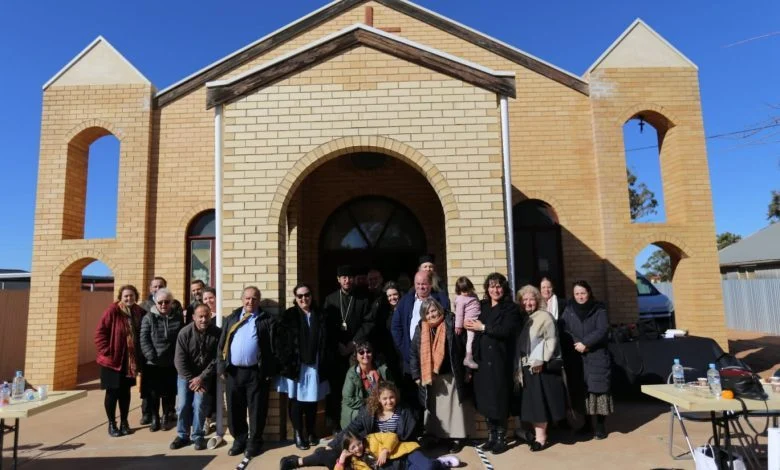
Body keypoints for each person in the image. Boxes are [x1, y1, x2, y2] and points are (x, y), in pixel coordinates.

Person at [280, 383, 456, 470]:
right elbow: (351, 429)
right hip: (370, 450)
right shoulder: (369, 412)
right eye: (385, 398)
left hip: (401, 450)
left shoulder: (405, 412)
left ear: (397, 397)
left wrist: (387, 449)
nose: (389, 401)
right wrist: (333, 445)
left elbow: (403, 438)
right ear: (378, 399)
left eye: (392, 397)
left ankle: (439, 463)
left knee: (427, 468)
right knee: (330, 455)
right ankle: (296, 461)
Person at [217, 286, 279, 457]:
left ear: (258, 301)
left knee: (257, 409)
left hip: (257, 373)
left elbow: (275, 347)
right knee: (235, 408)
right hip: (234, 372)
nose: (250, 301)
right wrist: (222, 366)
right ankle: (239, 440)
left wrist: (269, 370)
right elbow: (222, 344)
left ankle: (255, 442)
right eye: (247, 298)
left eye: (254, 298)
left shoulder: (266, 319)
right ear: (242, 299)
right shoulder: (232, 318)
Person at [464, 272, 521, 455]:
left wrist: (483, 328)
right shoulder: (483, 306)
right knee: (486, 399)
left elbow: (507, 331)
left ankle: (501, 438)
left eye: (498, 286)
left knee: (499, 399)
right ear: (487, 289)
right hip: (481, 361)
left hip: (499, 360)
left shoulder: (510, 308)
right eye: (491, 286)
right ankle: (491, 436)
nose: (495, 289)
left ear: (503, 288)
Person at [409, 298, 469, 453]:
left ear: (440, 310)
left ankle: (456, 438)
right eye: (428, 312)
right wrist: (416, 375)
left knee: (454, 409)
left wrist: (468, 370)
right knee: (434, 409)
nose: (432, 314)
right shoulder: (420, 328)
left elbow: (464, 344)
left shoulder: (451, 322)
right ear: (424, 315)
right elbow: (414, 353)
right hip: (431, 377)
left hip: (451, 374)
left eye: (434, 310)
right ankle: (437, 437)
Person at [275, 283, 330, 450]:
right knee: (297, 400)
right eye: (300, 296)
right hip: (296, 366)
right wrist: (286, 360)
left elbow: (327, 339)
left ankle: (312, 431)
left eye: (307, 295)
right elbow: (280, 341)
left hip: (315, 364)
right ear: (295, 298)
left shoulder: (320, 314)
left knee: (312, 400)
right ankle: (299, 433)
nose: (304, 298)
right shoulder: (289, 316)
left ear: (311, 296)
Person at [514, 285, 566, 451]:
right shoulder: (523, 319)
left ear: (537, 300)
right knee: (532, 402)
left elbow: (551, 340)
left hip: (538, 367)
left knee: (538, 403)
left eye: (531, 299)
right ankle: (535, 433)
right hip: (525, 366)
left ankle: (541, 438)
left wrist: (541, 360)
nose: (528, 303)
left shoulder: (544, 316)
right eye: (524, 300)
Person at [322, 265, 373, 431]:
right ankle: (334, 426)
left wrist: (353, 343)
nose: (346, 280)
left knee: (356, 387)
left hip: (356, 350)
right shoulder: (330, 299)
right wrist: (338, 344)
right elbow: (326, 325)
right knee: (335, 389)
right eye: (343, 277)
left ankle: (358, 424)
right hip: (336, 351)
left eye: (349, 277)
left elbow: (368, 322)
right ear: (338, 279)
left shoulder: (363, 299)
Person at [560, 280, 612, 440]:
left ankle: (601, 426)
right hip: (577, 357)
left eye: (583, 293)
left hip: (596, 355)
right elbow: (564, 328)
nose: (580, 296)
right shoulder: (568, 310)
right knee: (583, 393)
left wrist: (586, 343)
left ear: (589, 293)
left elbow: (602, 330)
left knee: (599, 392)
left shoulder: (599, 309)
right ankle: (587, 424)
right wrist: (578, 344)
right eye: (577, 293)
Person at [95, 285, 144, 437]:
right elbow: (100, 332)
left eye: (131, 295)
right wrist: (107, 351)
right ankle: (112, 424)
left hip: (129, 361)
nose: (129, 298)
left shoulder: (139, 311)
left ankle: (124, 422)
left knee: (125, 393)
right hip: (112, 361)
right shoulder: (113, 310)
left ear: (135, 296)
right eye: (126, 296)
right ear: (120, 297)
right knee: (112, 393)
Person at [171, 303, 221, 450]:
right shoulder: (184, 333)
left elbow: (218, 358)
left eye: (206, 316)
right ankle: (182, 435)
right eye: (200, 316)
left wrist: (202, 377)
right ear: (193, 317)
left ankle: (198, 436)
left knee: (199, 405)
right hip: (185, 376)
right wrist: (191, 379)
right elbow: (179, 360)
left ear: (210, 316)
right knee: (183, 405)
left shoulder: (217, 333)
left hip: (204, 376)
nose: (204, 320)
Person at [139, 276, 184, 426]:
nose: (164, 304)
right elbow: (144, 339)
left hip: (170, 362)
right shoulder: (148, 317)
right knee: (152, 393)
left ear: (171, 302)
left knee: (168, 391)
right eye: (160, 302)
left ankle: (166, 416)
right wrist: (151, 355)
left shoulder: (177, 318)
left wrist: (176, 356)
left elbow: (180, 339)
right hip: (153, 362)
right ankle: (154, 418)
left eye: (167, 302)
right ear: (155, 302)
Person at [334, 432, 459, 470]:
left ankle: (440, 462)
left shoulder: (371, 439)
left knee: (429, 466)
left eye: (358, 444)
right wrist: (341, 461)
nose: (358, 448)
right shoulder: (356, 463)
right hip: (402, 468)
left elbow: (392, 436)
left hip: (407, 455)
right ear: (348, 450)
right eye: (353, 448)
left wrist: (385, 450)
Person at [341, 340, 393, 429]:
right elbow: (348, 399)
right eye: (361, 352)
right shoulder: (352, 373)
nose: (365, 355)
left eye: (368, 351)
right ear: (356, 356)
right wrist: (370, 402)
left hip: (380, 407)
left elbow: (392, 391)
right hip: (358, 412)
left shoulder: (382, 370)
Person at [369, 281, 402, 380]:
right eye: (389, 296)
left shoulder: (405, 310)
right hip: (389, 354)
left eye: (395, 294)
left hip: (403, 353)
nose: (392, 298)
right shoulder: (383, 314)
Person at [200, 286, 219, 433]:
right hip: (205, 362)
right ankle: (207, 420)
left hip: (218, 359)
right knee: (208, 393)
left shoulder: (221, 315)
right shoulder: (202, 317)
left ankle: (216, 419)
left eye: (210, 297)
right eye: (205, 298)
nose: (208, 301)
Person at [454, 276, 480, 369]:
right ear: (459, 291)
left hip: (477, 319)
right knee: (471, 339)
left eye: (468, 290)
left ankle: (476, 356)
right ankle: (468, 357)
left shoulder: (473, 294)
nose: (467, 293)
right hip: (469, 321)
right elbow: (459, 314)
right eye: (464, 291)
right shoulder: (461, 299)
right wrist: (458, 326)